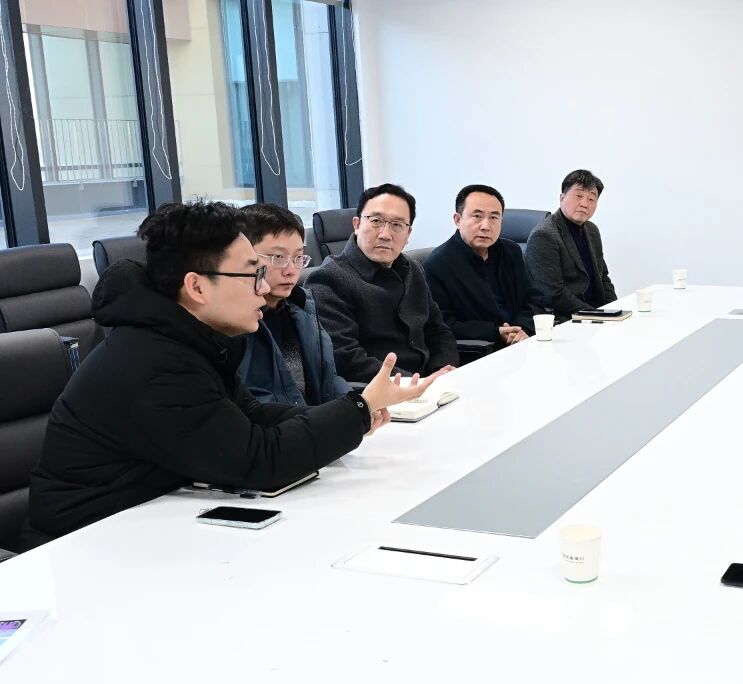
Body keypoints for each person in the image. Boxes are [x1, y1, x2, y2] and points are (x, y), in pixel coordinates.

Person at [20, 202, 447, 548]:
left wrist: (352, 413)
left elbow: (253, 416)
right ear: (197, 287)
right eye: (252, 273)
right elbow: (259, 460)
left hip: (158, 522)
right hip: (86, 547)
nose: (263, 287)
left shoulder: (194, 338)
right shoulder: (152, 362)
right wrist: (357, 408)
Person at [308, 183, 460, 382]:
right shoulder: (328, 279)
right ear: (357, 224)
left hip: (430, 383)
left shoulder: (412, 269)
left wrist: (442, 371)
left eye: (397, 225)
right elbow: (346, 358)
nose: (385, 235)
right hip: (383, 391)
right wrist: (416, 383)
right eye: (376, 221)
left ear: (408, 234)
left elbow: (438, 330)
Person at [237, 202, 350, 406]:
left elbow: (328, 381)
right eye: (278, 257)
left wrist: (358, 402)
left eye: (298, 258)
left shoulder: (302, 305)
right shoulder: (237, 321)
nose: (291, 271)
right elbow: (256, 403)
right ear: (243, 256)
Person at [423, 184, 538, 346]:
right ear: (458, 220)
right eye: (477, 216)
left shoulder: (511, 252)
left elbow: (532, 300)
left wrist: (522, 329)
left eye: (494, 218)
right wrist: (495, 332)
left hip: (522, 341)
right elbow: (442, 323)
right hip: (482, 349)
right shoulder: (437, 265)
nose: (486, 226)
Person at [526, 169, 617, 319]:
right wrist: (597, 315)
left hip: (595, 314)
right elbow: (553, 294)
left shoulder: (592, 230)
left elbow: (603, 277)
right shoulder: (544, 235)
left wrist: (614, 309)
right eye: (579, 196)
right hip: (564, 317)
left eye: (591, 199)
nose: (584, 204)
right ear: (562, 198)